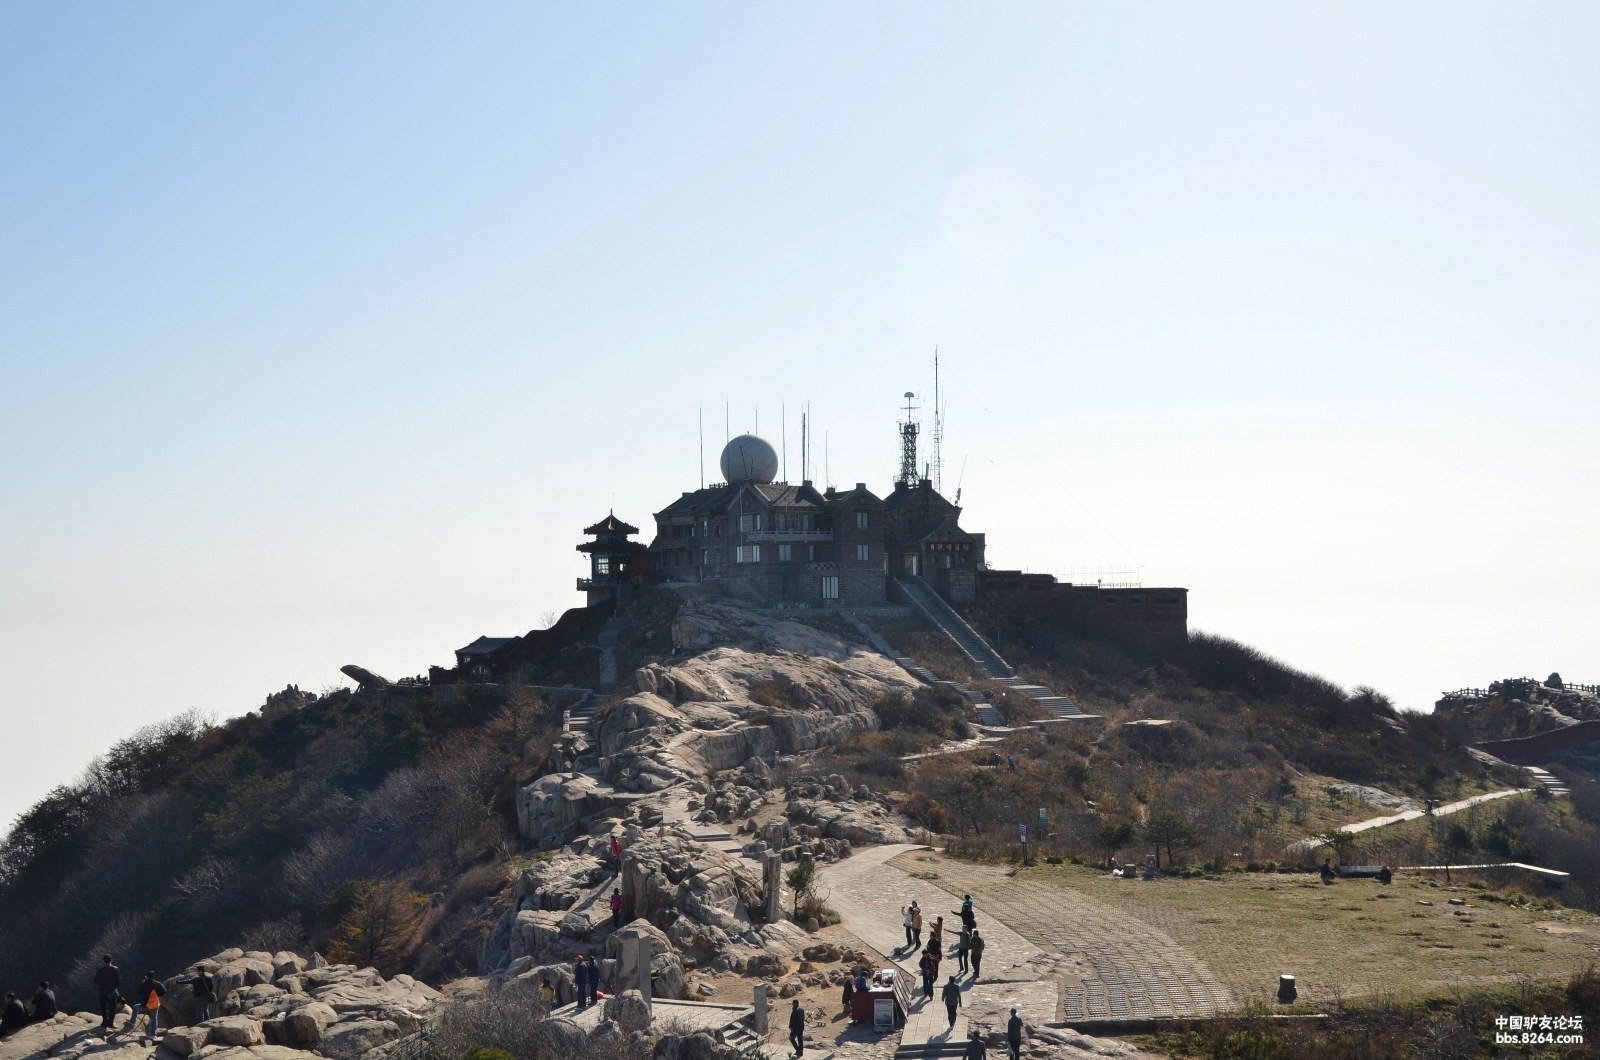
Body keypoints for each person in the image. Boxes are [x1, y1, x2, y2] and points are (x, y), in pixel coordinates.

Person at [126, 972, 164, 1039]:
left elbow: (139, 992)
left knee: (135, 1007)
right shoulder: (158, 984)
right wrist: (156, 995)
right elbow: (163, 991)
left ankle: (132, 1022)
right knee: (154, 1019)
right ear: (153, 976)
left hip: (145, 1005)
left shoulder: (144, 984)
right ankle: (153, 1035)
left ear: (146, 976)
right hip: (154, 1005)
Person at [93, 955, 121, 1029]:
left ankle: (104, 1022)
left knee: (104, 1008)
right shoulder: (115, 969)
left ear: (104, 960)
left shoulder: (100, 970)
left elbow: (96, 981)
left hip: (102, 992)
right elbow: (118, 981)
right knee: (112, 1008)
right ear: (111, 960)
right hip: (112, 992)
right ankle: (110, 1023)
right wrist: (112, 988)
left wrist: (103, 986)